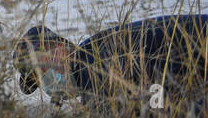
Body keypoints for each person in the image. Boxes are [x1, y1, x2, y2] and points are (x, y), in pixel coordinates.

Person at [15, 14, 208, 105]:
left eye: (41, 73)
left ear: (59, 51)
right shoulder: (94, 48)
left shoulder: (96, 71)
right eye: (38, 83)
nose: (45, 85)